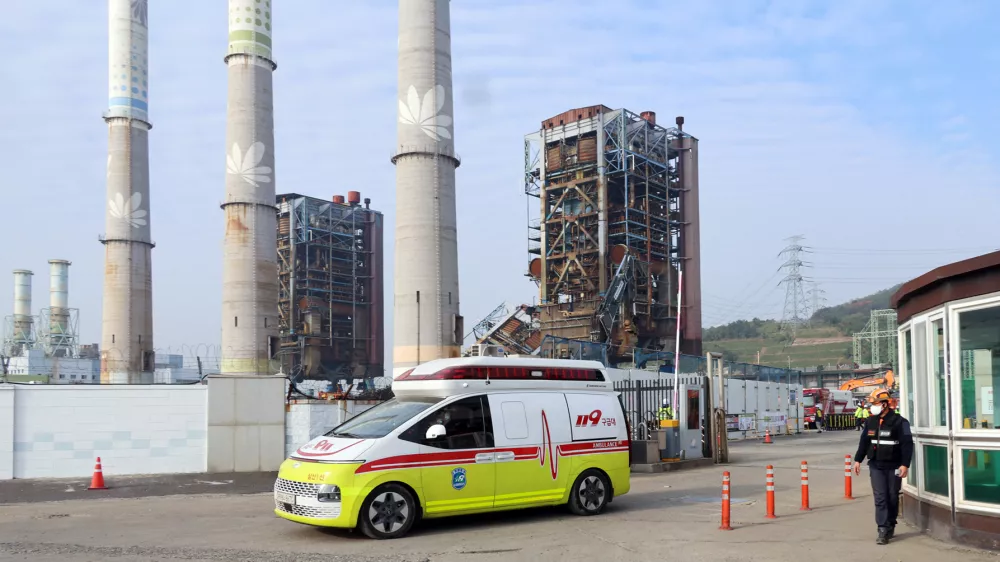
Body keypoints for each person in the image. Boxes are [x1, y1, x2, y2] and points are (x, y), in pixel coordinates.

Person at [853, 388, 913, 545]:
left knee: (892, 496)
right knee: (880, 497)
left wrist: (905, 465)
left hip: (894, 465)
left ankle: (891, 523)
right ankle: (882, 529)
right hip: (876, 465)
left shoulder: (901, 422)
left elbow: (907, 445)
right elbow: (864, 441)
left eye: (877, 403)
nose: (873, 406)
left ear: (886, 404)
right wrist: (858, 460)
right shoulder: (871, 421)